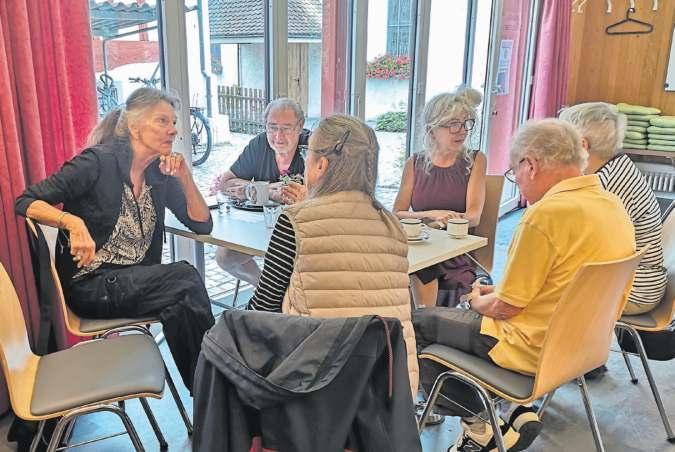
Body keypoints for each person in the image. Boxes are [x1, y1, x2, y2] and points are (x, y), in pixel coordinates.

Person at [413, 119, 636, 452]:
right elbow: (560, 285)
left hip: (530, 349)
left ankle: (482, 423)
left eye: (514, 172)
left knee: (416, 324)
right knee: (453, 319)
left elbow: (505, 308)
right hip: (583, 347)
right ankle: (510, 410)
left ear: (530, 165)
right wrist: (497, 295)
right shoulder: (612, 205)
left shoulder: (545, 215)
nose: (516, 180)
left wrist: (475, 301)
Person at [15, 87, 215, 393]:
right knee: (185, 278)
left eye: (174, 122)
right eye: (162, 121)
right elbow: (25, 201)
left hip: (134, 282)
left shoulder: (158, 174)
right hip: (91, 285)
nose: (173, 130)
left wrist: (185, 178)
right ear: (134, 126)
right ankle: (217, 391)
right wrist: (72, 222)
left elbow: (202, 224)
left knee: (180, 303)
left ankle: (207, 393)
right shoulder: (97, 162)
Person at [247, 114, 419, 397]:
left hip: (317, 393)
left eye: (308, 153)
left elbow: (262, 310)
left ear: (321, 165)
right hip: (392, 393)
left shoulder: (295, 222)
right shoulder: (393, 226)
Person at [560, 102, 666, 315]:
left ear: (582, 145)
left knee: (540, 297)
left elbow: (584, 247)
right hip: (635, 280)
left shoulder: (604, 185)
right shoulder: (618, 165)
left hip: (633, 289)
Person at [393, 88, 486, 308]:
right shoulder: (414, 163)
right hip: (421, 246)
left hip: (455, 251)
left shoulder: (476, 160)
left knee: (422, 270)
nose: (461, 131)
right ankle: (422, 321)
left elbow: (474, 216)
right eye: (453, 124)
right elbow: (396, 213)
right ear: (431, 130)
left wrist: (440, 221)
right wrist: (433, 215)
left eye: (466, 123)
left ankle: (424, 322)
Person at [212, 98, 309, 287]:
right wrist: (268, 191)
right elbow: (225, 183)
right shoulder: (259, 144)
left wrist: (253, 189)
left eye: (286, 128)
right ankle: (265, 288)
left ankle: (285, 294)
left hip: (301, 234)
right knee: (225, 257)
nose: (278, 136)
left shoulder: (311, 147)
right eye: (272, 127)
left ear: (300, 126)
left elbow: (315, 194)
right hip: (261, 231)